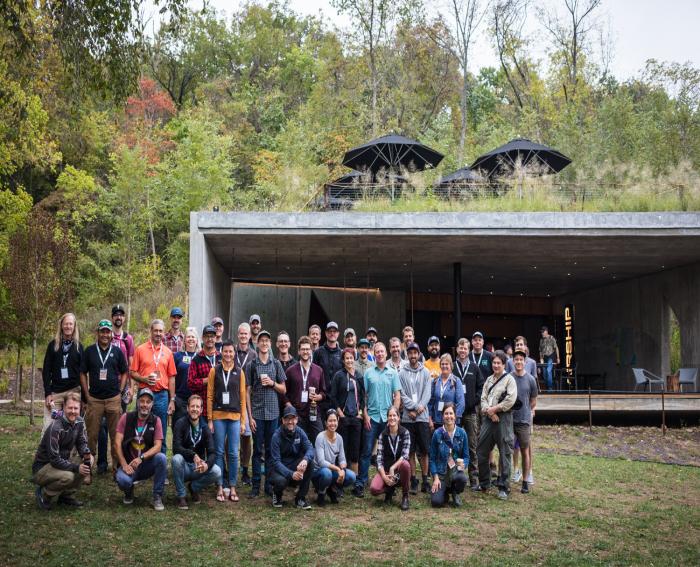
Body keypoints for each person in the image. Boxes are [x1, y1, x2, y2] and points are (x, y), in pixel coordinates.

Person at [354, 342, 401, 498]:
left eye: (382, 351)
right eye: (377, 352)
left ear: (386, 353)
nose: (380, 354)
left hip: (388, 420)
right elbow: (363, 397)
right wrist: (365, 415)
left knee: (389, 452)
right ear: (373, 354)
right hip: (372, 418)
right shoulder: (368, 373)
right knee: (366, 452)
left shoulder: (393, 373)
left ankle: (390, 483)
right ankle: (361, 483)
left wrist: (393, 416)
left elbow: (398, 396)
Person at [80, 319, 128, 473]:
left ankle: (116, 468)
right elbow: (82, 372)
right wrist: (86, 394)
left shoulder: (117, 351)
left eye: (108, 332)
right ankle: (88, 468)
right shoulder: (89, 351)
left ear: (111, 334)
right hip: (94, 400)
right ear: (98, 333)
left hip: (114, 399)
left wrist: (120, 392)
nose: (105, 335)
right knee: (91, 435)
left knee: (115, 436)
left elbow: (125, 372)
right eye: (102, 331)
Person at [32, 392, 92, 510]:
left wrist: (86, 454)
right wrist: (76, 467)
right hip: (43, 467)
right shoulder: (56, 427)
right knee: (68, 476)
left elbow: (81, 443)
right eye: (70, 408)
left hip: (61, 461)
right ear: (64, 406)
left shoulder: (79, 421)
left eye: (76, 408)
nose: (73, 411)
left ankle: (66, 496)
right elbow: (54, 459)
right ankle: (45, 495)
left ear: (80, 409)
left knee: (88, 460)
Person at [114, 388, 168, 510]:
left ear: (152, 404)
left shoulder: (156, 420)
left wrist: (141, 458)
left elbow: (158, 446)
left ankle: (157, 496)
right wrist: (123, 464)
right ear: (137, 402)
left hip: (145, 464)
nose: (144, 404)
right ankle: (129, 491)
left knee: (162, 458)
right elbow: (117, 443)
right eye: (142, 401)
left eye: (148, 402)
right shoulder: (126, 417)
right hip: (128, 464)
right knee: (123, 480)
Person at [247, 330, 287, 498]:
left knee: (271, 451)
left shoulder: (276, 364)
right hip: (257, 414)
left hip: (273, 414)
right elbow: (248, 392)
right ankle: (256, 485)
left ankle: (269, 485)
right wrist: (249, 417)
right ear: (258, 344)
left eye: (267, 341)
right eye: (261, 340)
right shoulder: (252, 365)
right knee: (257, 451)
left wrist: (272, 383)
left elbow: (283, 389)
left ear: (270, 344)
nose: (264, 343)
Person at [208, 340, 247, 502]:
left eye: (231, 351)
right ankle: (219, 485)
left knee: (233, 453)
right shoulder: (214, 371)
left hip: (234, 418)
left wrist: (243, 421)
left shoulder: (240, 372)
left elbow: (243, 398)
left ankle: (231, 486)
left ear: (234, 353)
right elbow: (209, 395)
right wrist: (210, 419)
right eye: (226, 351)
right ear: (221, 352)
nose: (228, 354)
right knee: (218, 452)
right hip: (218, 417)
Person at [475, 350, 517, 500]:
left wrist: (495, 409)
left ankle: (504, 487)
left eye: (499, 363)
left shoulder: (509, 380)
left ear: (504, 364)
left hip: (503, 420)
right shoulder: (489, 380)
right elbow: (483, 398)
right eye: (494, 362)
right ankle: (485, 483)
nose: (496, 365)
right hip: (489, 419)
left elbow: (511, 400)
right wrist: (489, 411)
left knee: (505, 452)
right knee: (481, 450)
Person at [130, 319, 176, 454]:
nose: (158, 333)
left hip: (161, 395)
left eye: (160, 331)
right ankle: (140, 456)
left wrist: (172, 399)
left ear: (163, 333)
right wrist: (143, 378)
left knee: (160, 427)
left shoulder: (168, 352)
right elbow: (132, 372)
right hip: (144, 393)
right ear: (151, 331)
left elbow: (172, 377)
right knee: (141, 425)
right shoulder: (140, 349)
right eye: (155, 330)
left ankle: (160, 459)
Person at [97, 304, 134, 473]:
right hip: (105, 388)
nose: (118, 317)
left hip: (122, 388)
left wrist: (131, 387)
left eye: (121, 315)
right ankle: (102, 462)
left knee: (120, 426)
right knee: (103, 426)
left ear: (124, 318)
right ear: (112, 318)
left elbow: (131, 365)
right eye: (115, 315)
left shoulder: (128, 339)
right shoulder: (106, 336)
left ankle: (118, 461)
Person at [172, 395, 221, 509]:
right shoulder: (180, 423)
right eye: (192, 406)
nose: (195, 409)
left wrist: (207, 464)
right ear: (188, 408)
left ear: (201, 410)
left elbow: (212, 452)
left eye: (197, 407)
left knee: (217, 471)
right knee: (176, 459)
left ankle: (194, 488)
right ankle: (181, 496)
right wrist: (193, 454)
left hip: (197, 468)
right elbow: (176, 447)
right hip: (183, 466)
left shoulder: (205, 428)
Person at [398, 342, 432, 495]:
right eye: (410, 353)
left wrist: (418, 410)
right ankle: (413, 480)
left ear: (419, 354)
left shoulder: (425, 372)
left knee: (424, 450)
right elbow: (402, 394)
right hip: (407, 417)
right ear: (407, 354)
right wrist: (411, 407)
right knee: (410, 451)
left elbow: (427, 393)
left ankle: (425, 479)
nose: (412, 356)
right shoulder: (401, 373)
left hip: (422, 418)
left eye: (415, 353)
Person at [42, 313, 84, 433]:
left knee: (72, 428)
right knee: (50, 428)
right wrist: (48, 393)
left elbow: (82, 374)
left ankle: (70, 452)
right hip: (56, 394)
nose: (68, 326)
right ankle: (48, 452)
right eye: (66, 323)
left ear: (74, 326)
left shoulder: (78, 347)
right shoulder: (53, 345)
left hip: (74, 392)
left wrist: (84, 399)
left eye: (71, 324)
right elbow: (46, 370)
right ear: (61, 325)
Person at [269, 406, 315, 509]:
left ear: (297, 420)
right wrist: (291, 474)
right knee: (281, 481)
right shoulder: (276, 436)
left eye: (293, 418)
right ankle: (277, 494)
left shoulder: (300, 432)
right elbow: (276, 462)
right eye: (287, 419)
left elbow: (310, 449)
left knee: (311, 463)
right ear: (283, 420)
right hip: (278, 469)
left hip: (294, 465)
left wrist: (305, 459)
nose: (290, 422)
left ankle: (300, 498)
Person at [453, 338, 484, 489]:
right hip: (456, 415)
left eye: (465, 348)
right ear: (457, 350)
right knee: (456, 446)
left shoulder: (474, 367)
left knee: (472, 446)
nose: (463, 351)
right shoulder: (452, 367)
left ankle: (474, 479)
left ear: (468, 349)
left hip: (471, 413)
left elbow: (481, 387)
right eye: (460, 348)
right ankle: (457, 476)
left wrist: (474, 401)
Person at [329, 348, 366, 473]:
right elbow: (332, 396)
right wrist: (340, 413)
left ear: (354, 359)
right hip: (344, 417)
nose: (349, 360)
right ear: (343, 360)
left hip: (356, 418)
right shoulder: (339, 376)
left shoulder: (359, 376)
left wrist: (360, 413)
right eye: (347, 358)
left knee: (355, 448)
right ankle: (342, 477)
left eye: (351, 358)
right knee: (343, 447)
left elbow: (362, 396)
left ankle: (354, 478)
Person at [283, 336, 326, 443]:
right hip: (297, 414)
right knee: (298, 443)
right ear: (299, 351)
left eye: (307, 349)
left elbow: (324, 392)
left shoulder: (318, 370)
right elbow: (283, 393)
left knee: (319, 440)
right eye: (303, 349)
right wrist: (289, 405)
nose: (305, 352)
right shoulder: (290, 371)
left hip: (313, 412)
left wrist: (318, 396)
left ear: (311, 350)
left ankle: (316, 460)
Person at [369, 406, 411, 511]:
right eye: (390, 416)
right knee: (374, 489)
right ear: (387, 418)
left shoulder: (405, 433)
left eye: (394, 415)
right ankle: (389, 489)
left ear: (398, 417)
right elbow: (379, 459)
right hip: (386, 470)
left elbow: (405, 455)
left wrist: (393, 468)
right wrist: (384, 476)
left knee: (406, 464)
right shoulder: (382, 435)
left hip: (399, 471)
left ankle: (405, 496)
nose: (392, 418)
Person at [312, 409, 357, 506]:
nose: (333, 423)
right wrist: (337, 468)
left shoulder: (339, 438)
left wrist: (342, 470)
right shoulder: (320, 437)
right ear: (325, 423)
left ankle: (331, 489)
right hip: (318, 472)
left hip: (331, 470)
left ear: (338, 421)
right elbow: (321, 462)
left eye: (334, 420)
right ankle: (321, 493)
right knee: (326, 473)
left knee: (351, 476)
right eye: (330, 421)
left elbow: (342, 459)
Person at [429, 403, 469, 507]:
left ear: (455, 416)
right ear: (443, 416)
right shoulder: (437, 433)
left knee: (462, 479)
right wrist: (436, 478)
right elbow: (432, 459)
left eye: (451, 413)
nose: (449, 416)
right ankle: (445, 491)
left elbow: (466, 456)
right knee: (436, 502)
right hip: (441, 475)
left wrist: (464, 464)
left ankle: (455, 492)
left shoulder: (462, 433)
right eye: (446, 413)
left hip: (456, 472)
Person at [510, 350, 538, 493]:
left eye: (521, 359)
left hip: (524, 421)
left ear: (525, 362)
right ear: (513, 361)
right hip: (509, 420)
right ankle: (505, 478)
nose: (519, 362)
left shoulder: (531, 380)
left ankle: (525, 480)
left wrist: (526, 410)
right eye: (516, 359)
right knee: (507, 449)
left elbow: (533, 401)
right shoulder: (509, 377)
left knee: (524, 450)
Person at [234, 322, 257, 486]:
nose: (243, 336)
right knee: (231, 437)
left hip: (247, 400)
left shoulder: (254, 355)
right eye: (241, 334)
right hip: (231, 399)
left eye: (246, 334)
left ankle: (244, 469)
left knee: (246, 436)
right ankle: (230, 469)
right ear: (238, 335)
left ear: (250, 336)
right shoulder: (230, 351)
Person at [186, 325, 221, 424]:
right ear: (202, 338)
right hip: (203, 408)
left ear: (215, 338)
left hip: (219, 407)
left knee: (218, 439)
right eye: (207, 336)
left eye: (212, 336)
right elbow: (190, 383)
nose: (210, 339)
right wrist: (207, 380)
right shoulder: (196, 359)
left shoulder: (221, 358)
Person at [172, 327, 200, 430]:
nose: (191, 339)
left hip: (196, 399)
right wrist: (172, 398)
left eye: (193, 337)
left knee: (194, 430)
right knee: (179, 428)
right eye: (188, 337)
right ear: (184, 340)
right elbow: (172, 377)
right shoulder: (177, 356)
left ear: (197, 340)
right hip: (180, 399)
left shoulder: (201, 357)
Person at [428, 354, 465, 431]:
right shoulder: (435, 381)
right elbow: (431, 402)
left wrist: (454, 419)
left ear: (451, 365)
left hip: (451, 421)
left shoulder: (456, 381)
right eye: (442, 364)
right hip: (437, 420)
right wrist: (430, 418)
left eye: (446, 364)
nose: (444, 366)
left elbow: (461, 403)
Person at [312, 321, 343, 405]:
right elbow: (313, 375)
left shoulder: (342, 353)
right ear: (326, 333)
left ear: (338, 334)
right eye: (330, 331)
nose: (332, 333)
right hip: (321, 398)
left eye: (334, 331)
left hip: (337, 399)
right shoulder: (318, 352)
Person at [539, 326, 560, 391]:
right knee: (544, 373)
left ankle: (550, 388)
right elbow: (540, 350)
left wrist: (558, 357)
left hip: (550, 356)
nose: (542, 333)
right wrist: (541, 358)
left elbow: (556, 348)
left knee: (548, 371)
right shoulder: (541, 340)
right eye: (541, 332)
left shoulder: (551, 338)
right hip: (544, 357)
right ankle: (548, 386)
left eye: (543, 332)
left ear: (546, 331)